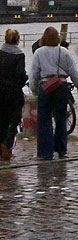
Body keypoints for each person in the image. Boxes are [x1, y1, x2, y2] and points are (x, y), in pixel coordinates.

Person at [29, 26, 78, 160]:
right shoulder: (63, 52)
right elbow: (73, 70)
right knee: (60, 118)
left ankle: (44, 152)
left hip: (46, 85)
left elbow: (34, 73)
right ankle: (61, 149)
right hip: (61, 85)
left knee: (44, 120)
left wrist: (34, 89)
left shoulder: (39, 53)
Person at [0, 29, 28, 160]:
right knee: (14, 120)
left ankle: (1, 146)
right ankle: (7, 144)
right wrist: (25, 79)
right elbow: (20, 74)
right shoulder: (19, 55)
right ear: (17, 40)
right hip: (13, 92)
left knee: (2, 119)